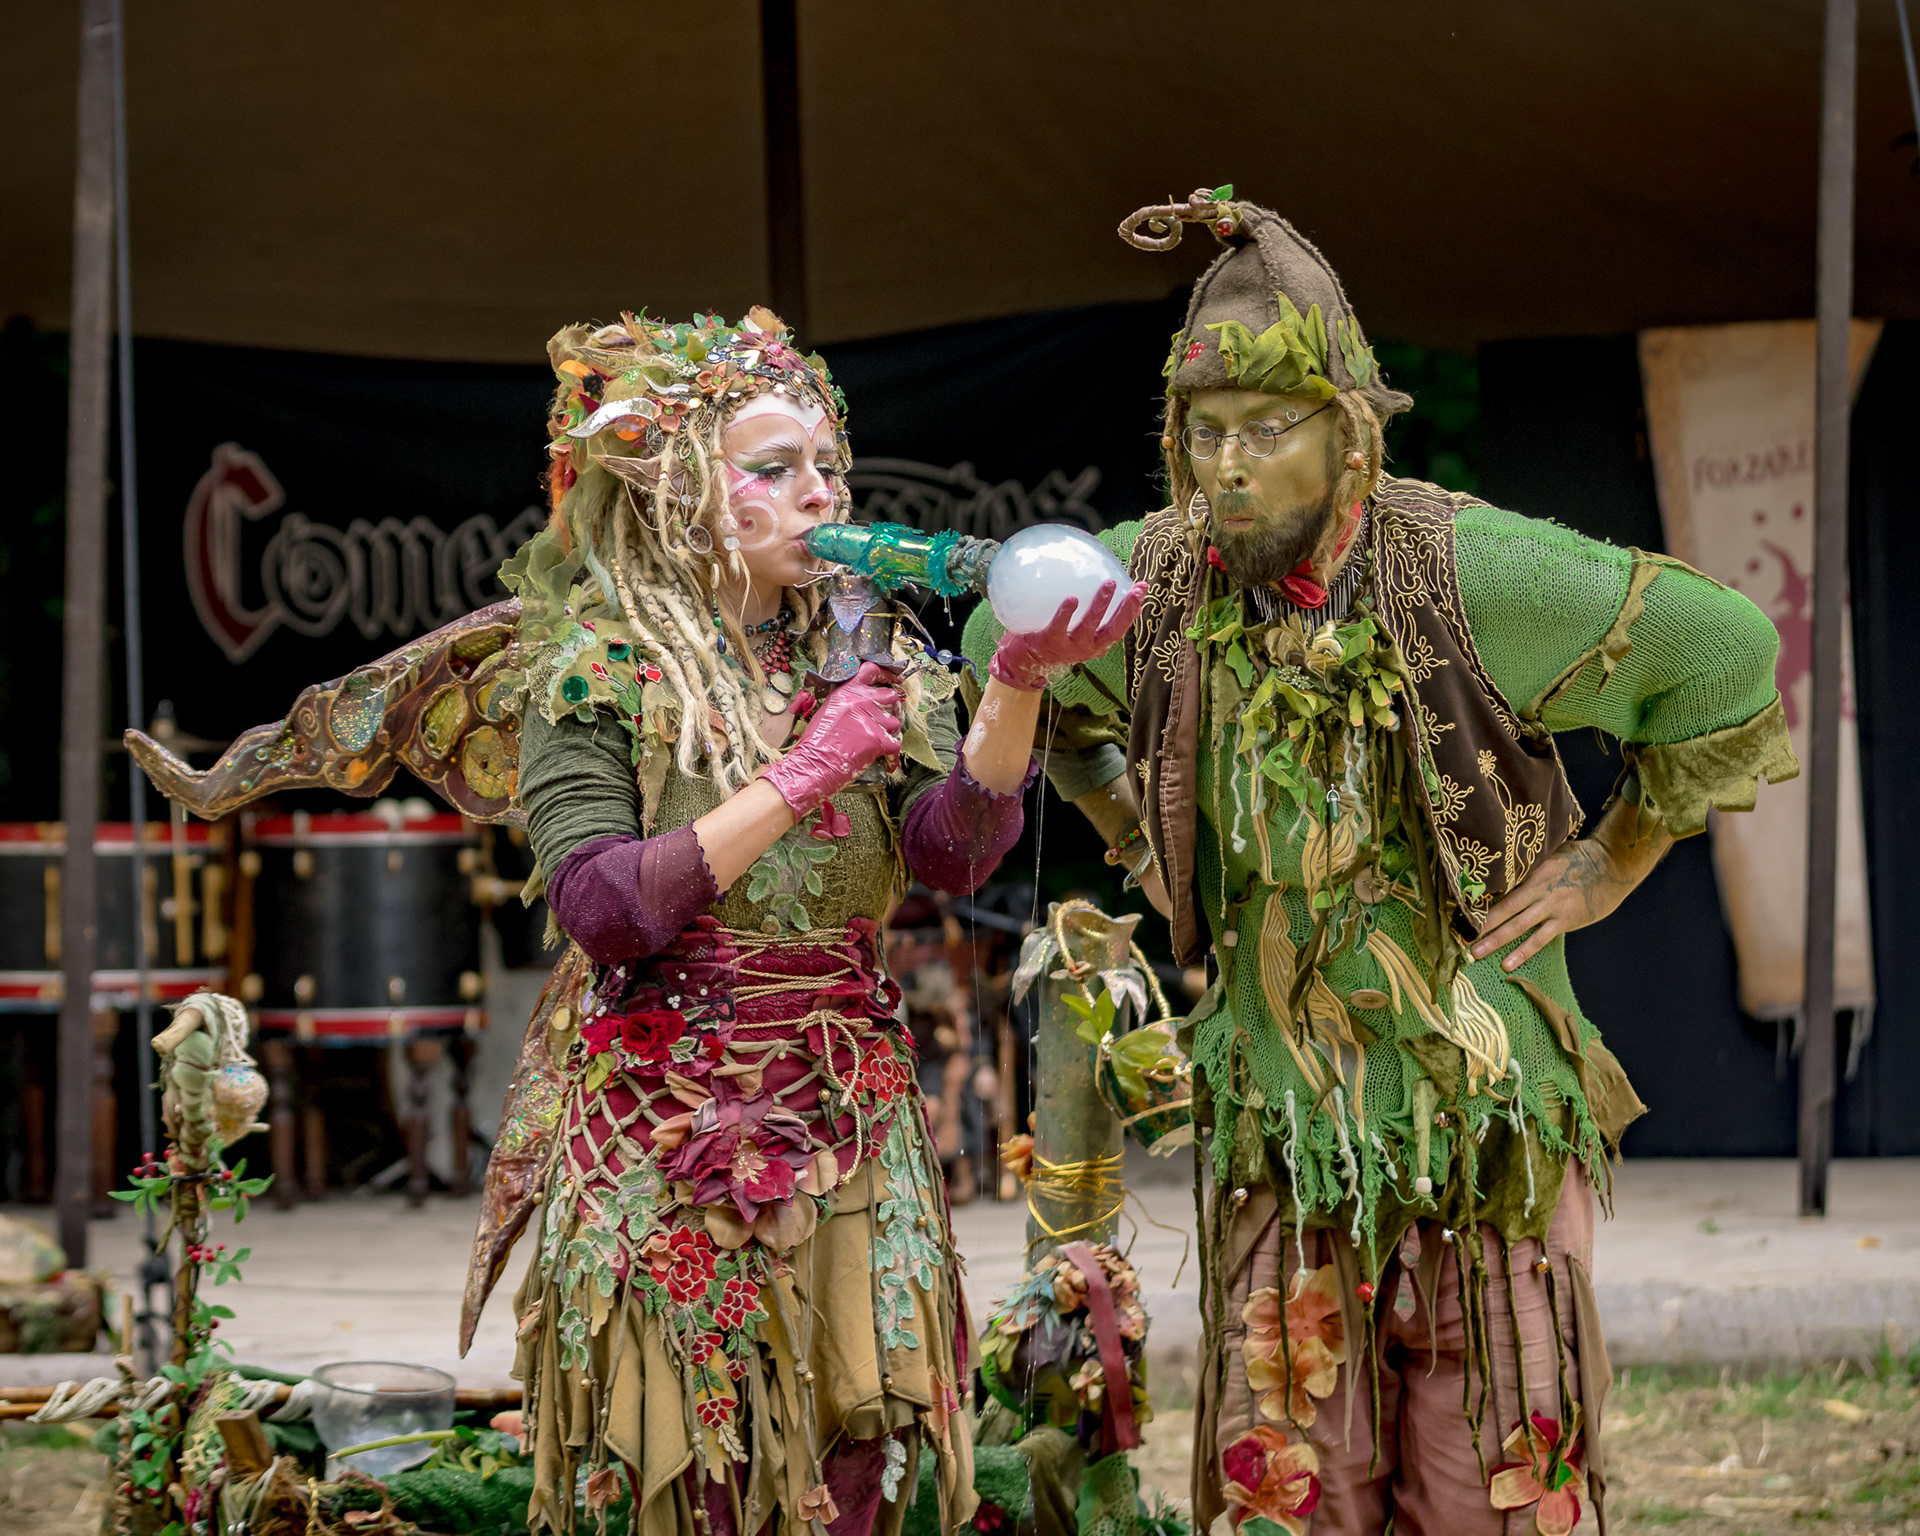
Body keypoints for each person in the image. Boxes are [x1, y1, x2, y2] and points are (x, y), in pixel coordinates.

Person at [962, 193, 1797, 1533]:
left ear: (1350, 436)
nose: (1228, 466)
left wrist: (1611, 862)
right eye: (1204, 433)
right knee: (1289, 1500)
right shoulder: (1156, 584)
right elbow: (1012, 663)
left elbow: (1724, 653)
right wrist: (1134, 832)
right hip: (1280, 1136)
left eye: (1266, 429)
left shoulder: (1474, 573)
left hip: (1489, 1134)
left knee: (1496, 1497)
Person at [501, 309, 1143, 1536]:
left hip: (853, 1109)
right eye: (776, 467)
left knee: (869, 1449)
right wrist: (802, 772)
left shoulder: (871, 645)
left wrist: (1012, 684)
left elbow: (953, 852)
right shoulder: (596, 663)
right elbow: (600, 910)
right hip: (668, 1121)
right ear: (684, 490)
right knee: (696, 1466)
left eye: (829, 467)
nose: (820, 493)